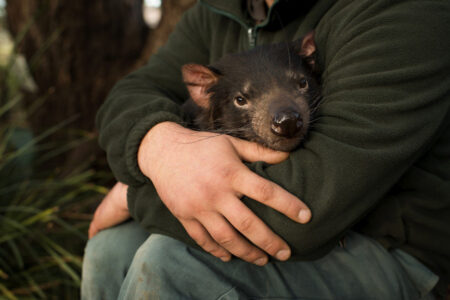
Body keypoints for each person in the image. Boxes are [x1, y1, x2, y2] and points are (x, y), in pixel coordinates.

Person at [81, 0, 450, 299]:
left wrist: (138, 192)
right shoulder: (219, 10)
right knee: (110, 249)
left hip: (391, 248)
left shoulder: (400, 10)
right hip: (295, 215)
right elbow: (130, 95)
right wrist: (157, 147)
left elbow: (307, 211)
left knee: (171, 264)